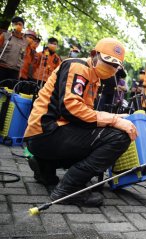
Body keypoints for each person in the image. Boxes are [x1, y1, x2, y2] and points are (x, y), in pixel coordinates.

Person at [24, 38, 138, 207]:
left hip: (44, 135)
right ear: (94, 55)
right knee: (119, 137)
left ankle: (45, 165)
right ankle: (69, 188)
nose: (110, 69)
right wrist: (113, 121)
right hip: (48, 132)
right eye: (107, 62)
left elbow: (86, 116)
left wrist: (109, 119)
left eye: (115, 66)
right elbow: (70, 109)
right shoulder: (79, 67)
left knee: (101, 135)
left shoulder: (94, 78)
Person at [0, 16, 28, 82]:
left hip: (15, 72)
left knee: (10, 90)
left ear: (23, 27)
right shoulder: (5, 36)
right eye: (16, 24)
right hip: (2, 68)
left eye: (20, 24)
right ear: (12, 25)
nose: (18, 26)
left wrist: (21, 72)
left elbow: (24, 58)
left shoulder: (25, 42)